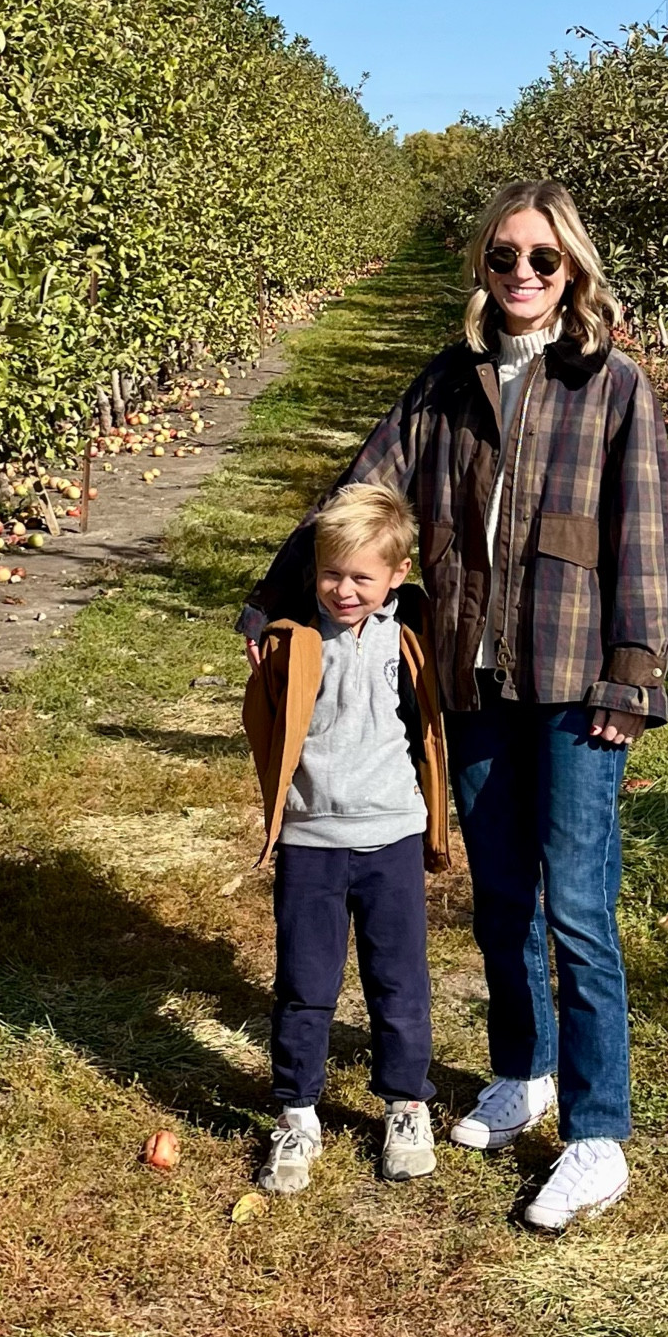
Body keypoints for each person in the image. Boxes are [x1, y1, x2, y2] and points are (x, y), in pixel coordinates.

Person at [241, 179, 668, 1230]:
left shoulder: (613, 385)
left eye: (542, 259)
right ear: (482, 268)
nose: (523, 275)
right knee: (497, 898)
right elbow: (358, 491)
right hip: (474, 674)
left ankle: (596, 1131)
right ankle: (522, 1067)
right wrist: (275, 590)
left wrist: (635, 669)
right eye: (504, 258)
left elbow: (653, 537)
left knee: (576, 904)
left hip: (579, 679)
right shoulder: (449, 382)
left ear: (571, 268)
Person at [242, 481, 450, 1195]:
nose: (345, 589)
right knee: (305, 984)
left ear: (397, 575)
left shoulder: (412, 636)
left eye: (363, 576)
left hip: (391, 834)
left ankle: (405, 1103)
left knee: (399, 983)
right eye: (332, 573)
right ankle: (297, 1113)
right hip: (311, 840)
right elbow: (265, 725)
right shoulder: (293, 643)